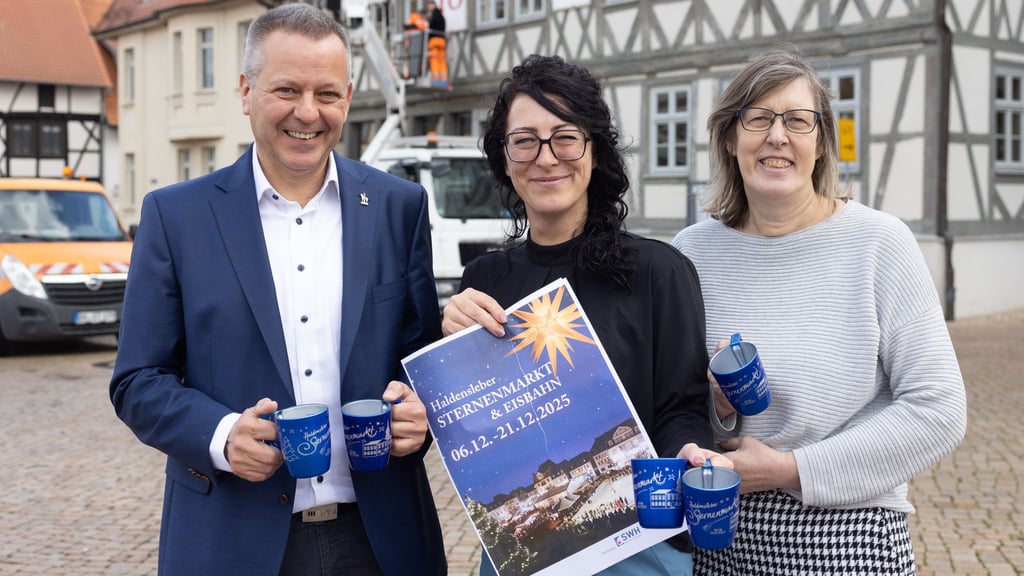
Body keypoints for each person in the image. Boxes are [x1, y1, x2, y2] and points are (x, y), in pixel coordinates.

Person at [109, 4, 446, 576]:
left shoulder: (399, 206)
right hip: (230, 540)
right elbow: (137, 380)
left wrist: (424, 413)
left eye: (328, 94)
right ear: (246, 91)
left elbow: (420, 362)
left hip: (382, 540)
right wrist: (220, 436)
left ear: (349, 95)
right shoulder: (175, 216)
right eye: (287, 89)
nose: (308, 113)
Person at [672, 46, 968, 575]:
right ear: (730, 138)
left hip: (849, 535)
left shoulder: (878, 242)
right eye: (758, 118)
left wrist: (789, 469)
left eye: (798, 121)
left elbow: (938, 409)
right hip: (721, 536)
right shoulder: (692, 253)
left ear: (821, 141)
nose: (777, 136)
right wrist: (715, 407)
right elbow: (671, 404)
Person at [441, 54, 723, 576]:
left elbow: (683, 407)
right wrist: (451, 351)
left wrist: (688, 450)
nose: (546, 157)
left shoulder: (659, 271)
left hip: (640, 553)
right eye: (524, 140)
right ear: (505, 159)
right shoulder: (485, 281)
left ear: (595, 152)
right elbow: (479, 432)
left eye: (565, 136)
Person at [425, 0, 448, 87]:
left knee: (434, 60)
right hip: (441, 41)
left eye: (429, 6)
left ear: (432, 5)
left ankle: (436, 79)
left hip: (434, 41)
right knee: (442, 61)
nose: (429, 8)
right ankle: (443, 79)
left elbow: (430, 27)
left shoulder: (433, 15)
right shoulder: (441, 15)